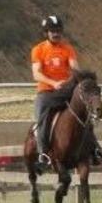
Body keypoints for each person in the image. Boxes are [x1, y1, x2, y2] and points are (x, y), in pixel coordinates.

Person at [30, 15, 80, 167]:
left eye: (58, 31)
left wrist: (70, 81)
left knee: (84, 109)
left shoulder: (68, 49)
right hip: (46, 92)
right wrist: (53, 83)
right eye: (52, 31)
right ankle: (43, 153)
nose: (56, 34)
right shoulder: (38, 50)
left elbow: (75, 68)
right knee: (42, 117)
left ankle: (94, 148)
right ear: (46, 32)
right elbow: (36, 74)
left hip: (66, 90)